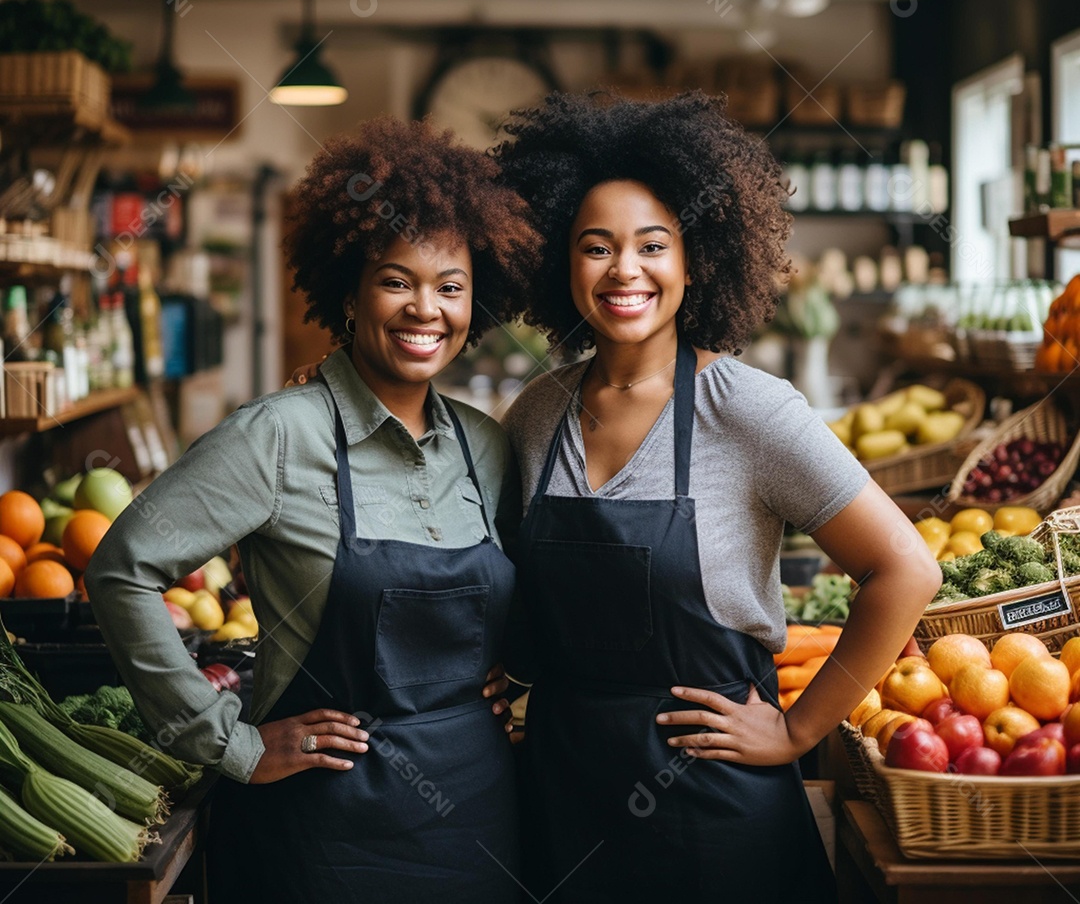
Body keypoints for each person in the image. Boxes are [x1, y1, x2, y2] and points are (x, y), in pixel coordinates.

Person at [495, 91, 942, 903]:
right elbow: (515, 588)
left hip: (714, 813)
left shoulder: (745, 408)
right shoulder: (535, 414)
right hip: (563, 796)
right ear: (562, 265)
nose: (624, 270)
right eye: (595, 247)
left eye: (652, 246)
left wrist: (800, 728)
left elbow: (906, 570)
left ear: (695, 260)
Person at [86, 117, 542, 903]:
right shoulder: (278, 435)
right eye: (397, 280)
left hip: (477, 825)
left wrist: (525, 678)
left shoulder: (485, 446)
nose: (425, 309)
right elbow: (121, 569)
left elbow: (518, 602)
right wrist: (230, 745)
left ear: (479, 305)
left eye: (452, 287)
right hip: (322, 838)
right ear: (350, 293)